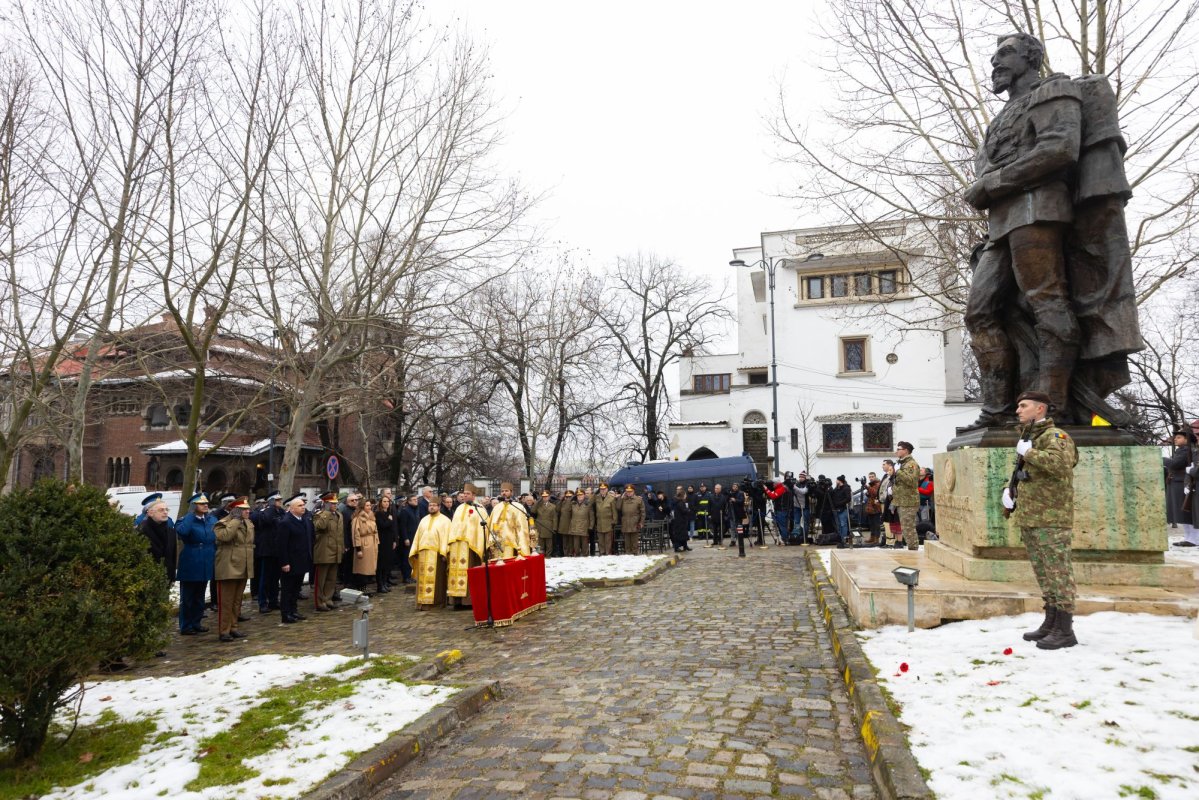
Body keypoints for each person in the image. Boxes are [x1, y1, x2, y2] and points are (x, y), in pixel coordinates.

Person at [963, 33, 1143, 429]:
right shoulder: (1001, 117)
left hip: (1040, 210)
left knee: (1048, 302)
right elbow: (985, 169)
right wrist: (986, 185)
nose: (996, 62)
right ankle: (997, 410)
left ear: (1031, 58)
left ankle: (1053, 406)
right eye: (994, 56)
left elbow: (1059, 148)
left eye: (1006, 53)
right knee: (980, 311)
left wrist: (992, 184)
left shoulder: (1054, 89)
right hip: (1003, 222)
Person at [1001, 390, 1080, 650]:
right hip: (1032, 516)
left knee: (1059, 573)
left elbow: (1060, 465)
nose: (1018, 410)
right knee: (1045, 574)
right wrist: (1008, 490)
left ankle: (1065, 630)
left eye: (1023, 406)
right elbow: (1022, 472)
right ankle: (1051, 622)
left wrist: (1030, 453)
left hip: (1052, 518)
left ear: (1040, 409)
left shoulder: (1056, 436)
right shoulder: (1028, 437)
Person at [175, 492, 216, 635]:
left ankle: (196, 622)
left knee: (200, 596)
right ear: (193, 506)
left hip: (206, 560)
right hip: (191, 561)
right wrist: (191, 516)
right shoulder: (185, 520)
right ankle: (186, 625)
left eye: (206, 503)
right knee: (188, 597)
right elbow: (183, 532)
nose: (206, 505)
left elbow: (215, 537)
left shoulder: (211, 519)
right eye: (201, 504)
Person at [213, 497, 254, 642]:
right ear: (236, 510)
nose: (248, 511)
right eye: (244, 509)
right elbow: (226, 537)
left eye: (248, 509)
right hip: (228, 567)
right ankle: (224, 631)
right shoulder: (223, 523)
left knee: (237, 600)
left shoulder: (248, 522)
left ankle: (234, 627)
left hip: (243, 566)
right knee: (226, 601)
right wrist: (235, 520)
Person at [446, 483, 488, 607]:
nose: (465, 495)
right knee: (455, 573)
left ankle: (468, 601)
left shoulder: (479, 509)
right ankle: (456, 600)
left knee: (468, 573)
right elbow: (454, 526)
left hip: (470, 547)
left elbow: (482, 530)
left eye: (467, 494)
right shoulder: (458, 508)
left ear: (474, 496)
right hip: (456, 546)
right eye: (464, 493)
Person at [410, 494, 451, 609]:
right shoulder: (423, 520)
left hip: (437, 554)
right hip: (423, 553)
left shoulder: (445, 521)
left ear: (439, 507)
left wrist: (444, 552)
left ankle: (436, 603)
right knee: (423, 579)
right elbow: (417, 536)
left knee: (437, 580)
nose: (431, 507)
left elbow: (446, 537)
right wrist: (416, 551)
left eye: (434, 505)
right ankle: (422, 602)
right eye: (430, 505)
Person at [279, 494, 313, 623]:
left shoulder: (303, 519)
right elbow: (282, 545)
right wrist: (284, 562)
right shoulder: (286, 522)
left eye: (303, 505)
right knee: (287, 589)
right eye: (300, 506)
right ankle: (286, 613)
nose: (303, 507)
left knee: (296, 589)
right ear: (292, 508)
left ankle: (294, 610)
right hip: (290, 562)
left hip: (301, 560)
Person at [250, 491, 284, 614]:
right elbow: (265, 520)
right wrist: (269, 508)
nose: (280, 502)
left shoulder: (281, 512)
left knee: (275, 578)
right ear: (271, 501)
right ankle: (263, 602)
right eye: (277, 500)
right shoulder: (265, 512)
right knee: (265, 578)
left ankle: (273, 601)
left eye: (280, 500)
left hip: (277, 550)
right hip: (267, 550)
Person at [1164, 428, 1198, 546]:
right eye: (1176, 437)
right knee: (1183, 513)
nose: (1175, 439)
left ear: (1186, 439)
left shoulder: (1186, 451)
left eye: (1179, 437)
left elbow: (1174, 464)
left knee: (1187, 512)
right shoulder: (1182, 450)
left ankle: (1194, 539)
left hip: (1183, 483)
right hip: (1178, 483)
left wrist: (1162, 458)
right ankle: (1189, 538)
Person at [312, 491, 343, 612]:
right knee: (321, 579)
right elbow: (320, 527)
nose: (335, 505)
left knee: (331, 578)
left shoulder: (339, 515)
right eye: (332, 503)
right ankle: (320, 601)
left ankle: (328, 599)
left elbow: (340, 534)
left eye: (335, 503)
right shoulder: (320, 515)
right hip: (324, 551)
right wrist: (326, 512)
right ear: (326, 504)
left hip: (336, 550)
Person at [138, 498, 178, 584]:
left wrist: (172, 577)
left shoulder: (171, 531)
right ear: (150, 513)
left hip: (166, 578)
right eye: (161, 510)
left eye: (167, 509)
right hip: (147, 579)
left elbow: (173, 556)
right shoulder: (141, 531)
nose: (165, 512)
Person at [490, 482, 531, 559]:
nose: (504, 493)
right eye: (502, 491)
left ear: (511, 492)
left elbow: (522, 527)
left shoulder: (518, 507)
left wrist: (521, 544)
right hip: (497, 542)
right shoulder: (496, 508)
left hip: (511, 542)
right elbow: (491, 524)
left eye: (506, 491)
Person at [893, 442, 922, 550]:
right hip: (902, 501)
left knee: (908, 528)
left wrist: (898, 472)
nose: (897, 451)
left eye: (899, 449)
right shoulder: (903, 464)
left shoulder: (911, 464)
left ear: (905, 450)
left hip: (909, 501)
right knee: (905, 528)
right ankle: (912, 548)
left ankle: (913, 549)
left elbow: (912, 481)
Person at [351, 497, 381, 593]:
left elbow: (375, 531)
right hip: (364, 544)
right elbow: (356, 534)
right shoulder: (357, 518)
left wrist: (376, 542)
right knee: (362, 569)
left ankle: (365, 588)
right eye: (367, 505)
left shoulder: (371, 517)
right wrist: (358, 549)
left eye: (370, 505)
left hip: (372, 543)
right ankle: (361, 589)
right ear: (362, 507)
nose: (369, 507)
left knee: (370, 568)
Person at [375, 494, 399, 591]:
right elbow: (382, 525)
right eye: (384, 501)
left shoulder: (390, 512)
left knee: (387, 563)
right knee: (381, 564)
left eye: (388, 502)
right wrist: (389, 520)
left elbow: (393, 528)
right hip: (382, 541)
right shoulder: (378, 513)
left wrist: (394, 540)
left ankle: (385, 583)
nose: (386, 503)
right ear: (381, 503)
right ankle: (380, 585)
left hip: (389, 540)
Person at [397, 494, 420, 582]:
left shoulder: (416, 510)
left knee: (413, 557)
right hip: (408, 538)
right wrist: (405, 538)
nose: (416, 501)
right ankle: (406, 577)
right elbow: (403, 526)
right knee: (406, 557)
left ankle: (411, 575)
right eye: (414, 500)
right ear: (409, 501)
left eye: (416, 499)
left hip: (415, 537)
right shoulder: (405, 511)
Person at [616, 484, 645, 555]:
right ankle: (628, 555)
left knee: (634, 541)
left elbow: (643, 512)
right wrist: (621, 498)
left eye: (630, 491)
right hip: (625, 522)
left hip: (635, 522)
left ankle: (635, 554)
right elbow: (618, 508)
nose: (629, 493)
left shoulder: (638, 499)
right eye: (627, 491)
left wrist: (641, 522)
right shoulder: (623, 499)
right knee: (627, 541)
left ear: (633, 491)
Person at [591, 482, 618, 555]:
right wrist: (595, 493)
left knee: (608, 540)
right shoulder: (597, 497)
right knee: (601, 540)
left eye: (604, 489)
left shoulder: (611, 498)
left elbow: (614, 511)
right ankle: (602, 553)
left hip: (608, 522)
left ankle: (608, 553)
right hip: (599, 522)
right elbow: (590, 502)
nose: (602, 490)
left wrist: (614, 521)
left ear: (607, 489)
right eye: (601, 489)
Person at [532, 489, 557, 556]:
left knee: (549, 542)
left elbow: (555, 518)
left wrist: (554, 527)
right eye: (543, 496)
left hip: (548, 525)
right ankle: (540, 555)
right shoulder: (538, 505)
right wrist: (538, 501)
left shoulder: (553, 506)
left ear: (549, 497)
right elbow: (533, 511)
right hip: (539, 525)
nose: (545, 498)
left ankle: (548, 555)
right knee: (540, 541)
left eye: (546, 496)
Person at [879, 460, 897, 545]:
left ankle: (891, 541)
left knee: (890, 521)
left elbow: (889, 491)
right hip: (885, 502)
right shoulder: (886, 476)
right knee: (886, 522)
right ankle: (888, 540)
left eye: (884, 464)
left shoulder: (894, 478)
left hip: (891, 502)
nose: (882, 466)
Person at [831, 476, 852, 548]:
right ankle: (840, 538)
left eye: (837, 480)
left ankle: (844, 539)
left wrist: (839, 503)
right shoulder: (837, 488)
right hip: (837, 509)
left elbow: (848, 498)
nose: (836, 481)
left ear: (840, 481)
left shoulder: (846, 488)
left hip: (843, 508)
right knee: (839, 525)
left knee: (843, 524)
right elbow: (832, 494)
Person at [668, 487, 690, 552]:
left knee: (683, 534)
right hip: (679, 521)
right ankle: (676, 547)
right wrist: (688, 510)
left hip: (681, 520)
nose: (686, 496)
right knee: (679, 535)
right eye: (685, 495)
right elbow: (683, 510)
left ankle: (685, 546)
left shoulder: (681, 501)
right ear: (683, 495)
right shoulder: (680, 502)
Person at [864, 473, 883, 545]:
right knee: (871, 524)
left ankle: (876, 539)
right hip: (870, 507)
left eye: (872, 477)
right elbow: (869, 494)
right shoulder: (871, 484)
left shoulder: (878, 483)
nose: (871, 478)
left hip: (876, 507)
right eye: (870, 477)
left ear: (875, 477)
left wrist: (867, 487)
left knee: (876, 524)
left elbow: (875, 493)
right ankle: (872, 537)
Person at [727, 482, 746, 548]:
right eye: (733, 487)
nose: (734, 488)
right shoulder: (730, 493)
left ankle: (740, 540)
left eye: (735, 487)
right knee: (732, 528)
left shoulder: (741, 493)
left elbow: (741, 501)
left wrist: (735, 500)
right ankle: (733, 540)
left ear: (738, 487)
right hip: (732, 513)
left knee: (739, 527)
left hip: (738, 513)